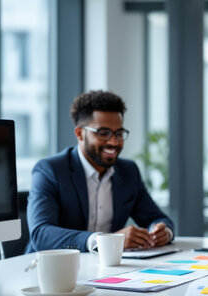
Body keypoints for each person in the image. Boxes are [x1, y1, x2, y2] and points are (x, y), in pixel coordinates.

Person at [27, 90, 174, 253]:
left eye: (119, 133)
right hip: (50, 270)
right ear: (80, 133)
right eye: (103, 133)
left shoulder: (128, 171)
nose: (113, 142)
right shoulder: (50, 170)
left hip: (106, 269)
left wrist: (162, 232)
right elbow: (41, 234)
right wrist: (105, 242)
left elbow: (156, 218)